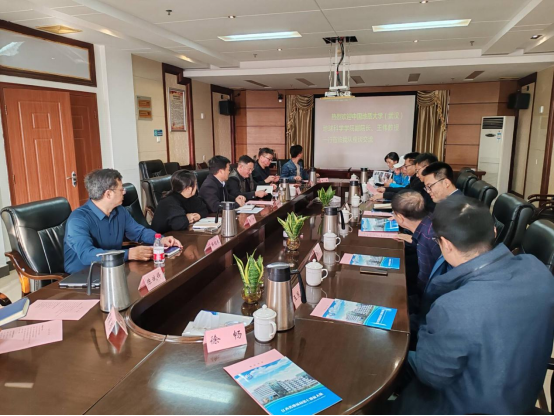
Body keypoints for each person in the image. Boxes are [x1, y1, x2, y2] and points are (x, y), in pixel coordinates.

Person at [395, 196, 554, 415]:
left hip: (465, 406)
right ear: (494, 232)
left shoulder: (454, 307)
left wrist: (420, 332)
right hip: (519, 399)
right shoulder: (537, 269)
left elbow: (430, 374)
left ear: (446, 244)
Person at [64, 169, 182, 274]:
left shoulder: (119, 211)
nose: (124, 192)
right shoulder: (78, 219)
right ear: (108, 194)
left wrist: (160, 240)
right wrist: (128, 254)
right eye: (121, 189)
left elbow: (139, 232)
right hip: (83, 276)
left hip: (113, 269)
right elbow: (87, 255)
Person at [392, 190, 442, 296]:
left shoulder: (428, 237)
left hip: (428, 294)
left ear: (400, 218)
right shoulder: (429, 220)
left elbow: (428, 276)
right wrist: (413, 239)